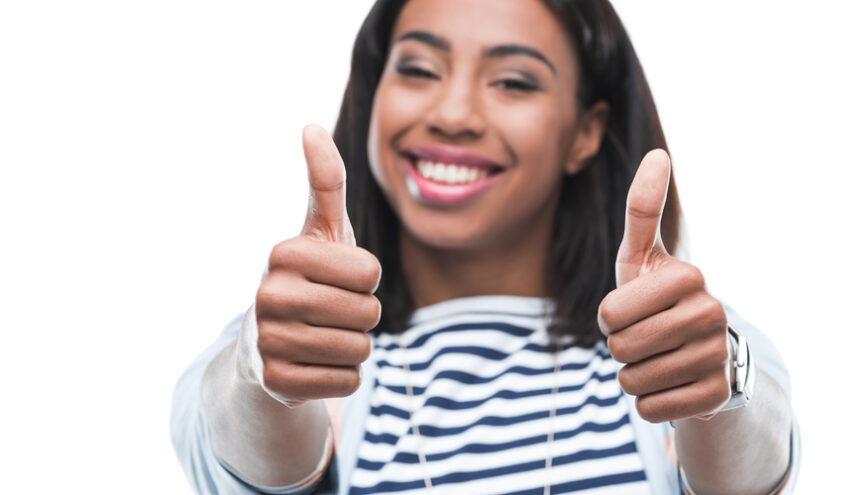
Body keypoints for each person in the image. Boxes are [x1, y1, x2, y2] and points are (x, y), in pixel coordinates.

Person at [171, 0, 801, 493]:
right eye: (418, 69)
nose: (453, 113)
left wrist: (719, 386)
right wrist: (262, 373)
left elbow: (753, 469)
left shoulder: (669, 343)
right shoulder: (302, 346)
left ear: (585, 133)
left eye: (513, 82)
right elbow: (244, 450)